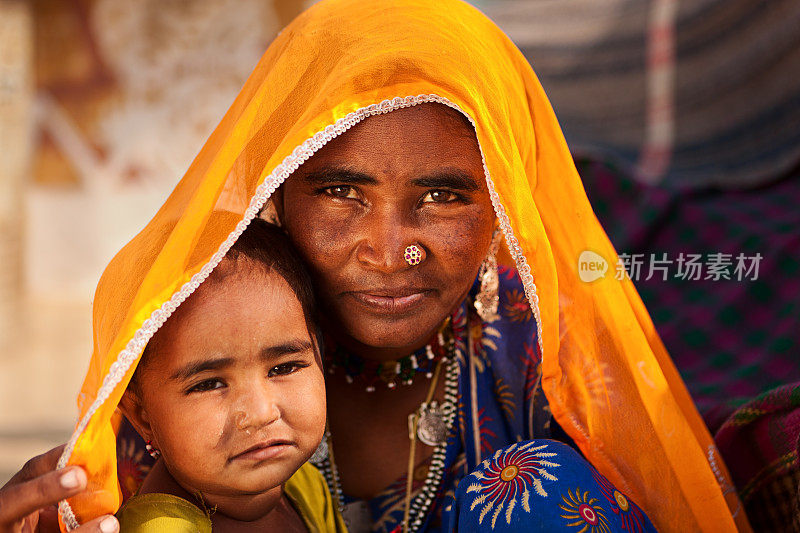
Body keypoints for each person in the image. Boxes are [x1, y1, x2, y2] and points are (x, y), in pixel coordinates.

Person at [0, 0, 749, 531]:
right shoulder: (190, 340)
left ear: (503, 211)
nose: (390, 251)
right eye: (340, 191)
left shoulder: (546, 355)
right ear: (277, 194)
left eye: (445, 195)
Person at [113, 218, 345, 532]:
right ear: (141, 415)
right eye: (209, 384)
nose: (260, 413)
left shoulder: (304, 484)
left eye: (283, 368)